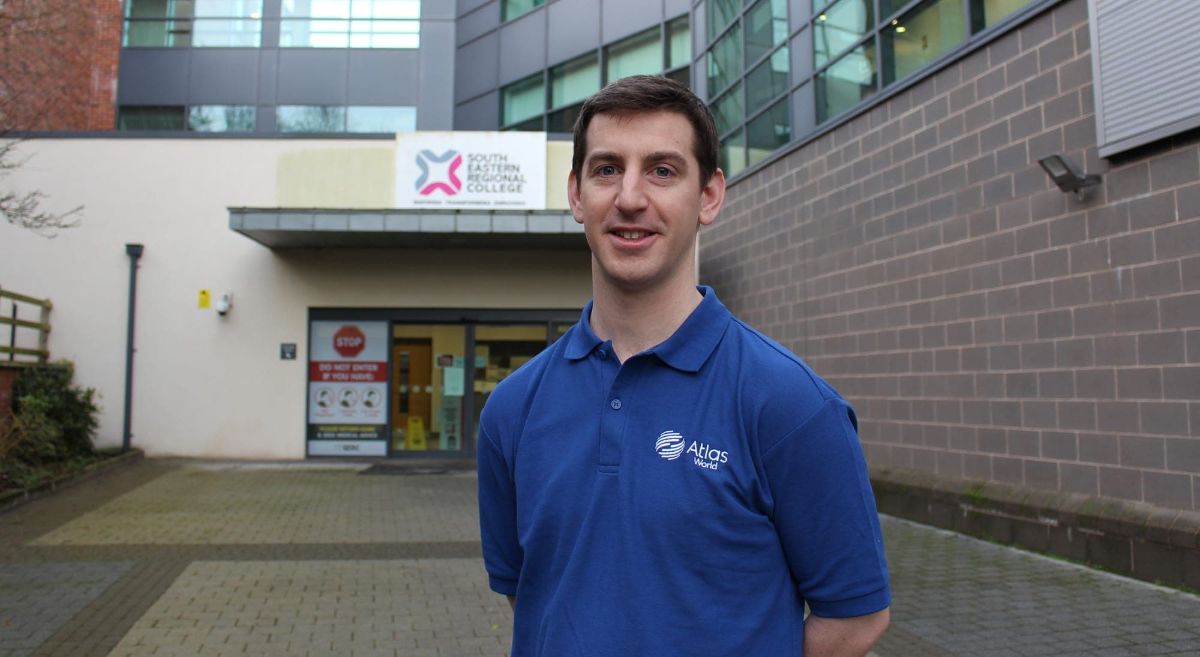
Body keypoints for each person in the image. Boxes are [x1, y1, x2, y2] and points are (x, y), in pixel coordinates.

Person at [477, 75, 891, 657]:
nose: (629, 198)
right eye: (606, 169)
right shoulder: (512, 409)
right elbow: (533, 594)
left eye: (662, 170)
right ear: (576, 195)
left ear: (709, 197)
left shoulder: (791, 405)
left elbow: (854, 617)